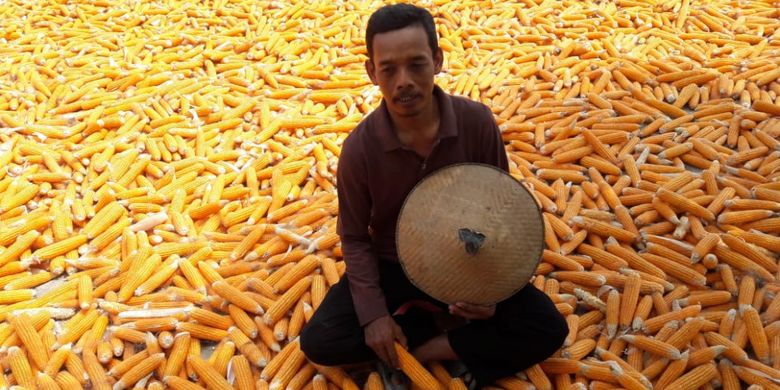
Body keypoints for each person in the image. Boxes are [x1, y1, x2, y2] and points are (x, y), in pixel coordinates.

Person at [300, 3, 568, 388]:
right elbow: (356, 238)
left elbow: (500, 211)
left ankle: (427, 348)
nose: (403, 80)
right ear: (372, 72)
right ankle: (441, 334)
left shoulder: (476, 123)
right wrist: (375, 315)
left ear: (438, 61)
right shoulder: (360, 149)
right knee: (320, 341)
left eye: (417, 64)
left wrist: (490, 290)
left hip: (468, 256)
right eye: (389, 69)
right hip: (395, 264)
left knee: (546, 328)